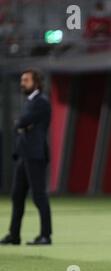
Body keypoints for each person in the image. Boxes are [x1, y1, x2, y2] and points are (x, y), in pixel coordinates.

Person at [0, 69, 52, 246]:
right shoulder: (30, 101)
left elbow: (21, 122)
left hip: (35, 155)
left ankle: (46, 235)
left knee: (39, 196)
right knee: (17, 195)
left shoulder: (41, 102)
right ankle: (14, 235)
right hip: (24, 155)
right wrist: (22, 125)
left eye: (26, 80)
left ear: (36, 83)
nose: (22, 83)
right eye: (22, 80)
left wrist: (22, 124)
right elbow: (22, 124)